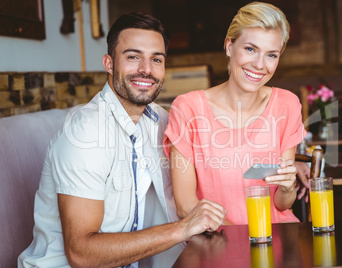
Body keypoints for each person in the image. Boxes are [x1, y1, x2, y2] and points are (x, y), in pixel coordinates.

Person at [18, 12, 226, 267]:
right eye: (133, 57)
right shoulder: (87, 133)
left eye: (156, 59)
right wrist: (182, 229)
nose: (146, 69)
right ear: (109, 63)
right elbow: (81, 254)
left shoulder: (162, 122)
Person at [163, 2, 307, 225]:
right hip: (218, 244)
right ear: (229, 46)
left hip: (278, 240)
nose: (260, 64)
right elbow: (185, 206)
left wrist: (288, 187)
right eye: (250, 49)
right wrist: (244, 242)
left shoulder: (287, 104)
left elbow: (281, 204)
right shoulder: (188, 108)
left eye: (271, 55)